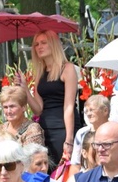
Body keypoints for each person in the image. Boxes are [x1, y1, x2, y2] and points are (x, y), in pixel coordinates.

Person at [20, 30, 79, 164]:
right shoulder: (40, 72)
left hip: (63, 128)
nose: (39, 47)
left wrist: (69, 140)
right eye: (36, 44)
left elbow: (69, 106)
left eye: (43, 43)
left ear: (53, 45)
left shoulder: (67, 68)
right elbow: (38, 109)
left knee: (63, 170)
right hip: (44, 129)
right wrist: (25, 89)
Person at [71, 94, 109, 175]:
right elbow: (75, 164)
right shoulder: (81, 133)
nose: (88, 114)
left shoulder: (114, 131)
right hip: (86, 177)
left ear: (105, 111)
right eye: (86, 111)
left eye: (91, 110)